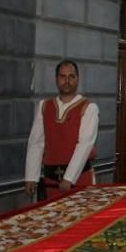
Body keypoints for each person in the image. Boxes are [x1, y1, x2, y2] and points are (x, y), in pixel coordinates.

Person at [24, 60, 99, 200]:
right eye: (63, 76)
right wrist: (31, 176)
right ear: (56, 79)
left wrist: (69, 178)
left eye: (71, 76)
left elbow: (84, 145)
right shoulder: (44, 106)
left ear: (77, 79)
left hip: (79, 179)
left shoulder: (88, 108)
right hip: (51, 181)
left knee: (81, 219)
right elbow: (37, 142)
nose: (67, 81)